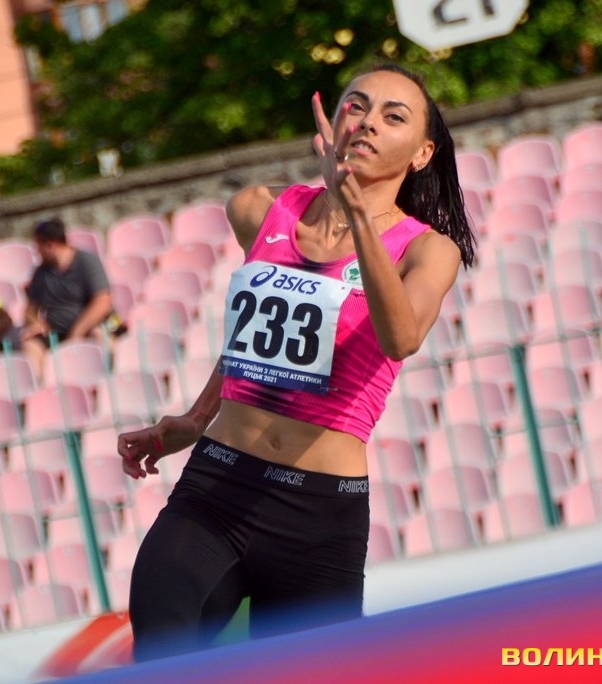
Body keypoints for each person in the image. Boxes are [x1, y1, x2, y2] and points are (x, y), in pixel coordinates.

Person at [118, 64, 477, 661]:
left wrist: (358, 214)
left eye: (393, 117)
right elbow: (260, 335)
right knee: (161, 652)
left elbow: (401, 338)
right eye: (356, 105)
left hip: (319, 516)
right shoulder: (260, 209)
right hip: (217, 489)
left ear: (422, 154)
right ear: (332, 120)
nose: (367, 122)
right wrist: (197, 416)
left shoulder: (427, 249)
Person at [22, 217, 118, 377]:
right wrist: (36, 323)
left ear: (50, 245)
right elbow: (30, 309)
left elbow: (102, 302)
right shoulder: (41, 273)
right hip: (56, 334)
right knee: (31, 345)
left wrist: (77, 332)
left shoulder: (87, 262)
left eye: (38, 245)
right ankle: (43, 387)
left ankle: (106, 381)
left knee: (100, 336)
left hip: (89, 328)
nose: (36, 251)